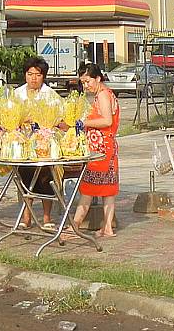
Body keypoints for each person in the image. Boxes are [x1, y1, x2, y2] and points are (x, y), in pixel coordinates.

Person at [69, 62, 120, 238]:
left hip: (102, 151)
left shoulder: (104, 95)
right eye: (83, 82)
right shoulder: (102, 95)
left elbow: (107, 121)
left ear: (98, 78)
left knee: (89, 188)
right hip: (104, 149)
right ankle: (107, 227)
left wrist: (84, 123)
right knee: (107, 190)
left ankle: (75, 225)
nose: (86, 86)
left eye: (88, 81)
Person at [14, 57, 61, 229]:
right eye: (30, 74)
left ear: (43, 76)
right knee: (24, 179)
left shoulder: (50, 95)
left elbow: (59, 120)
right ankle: (26, 218)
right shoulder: (17, 94)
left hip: (44, 144)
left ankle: (47, 218)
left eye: (37, 74)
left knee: (45, 180)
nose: (33, 78)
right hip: (22, 144)